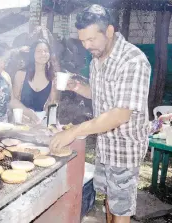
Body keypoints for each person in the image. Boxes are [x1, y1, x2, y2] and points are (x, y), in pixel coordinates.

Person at [50, 4, 151, 223]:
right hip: (105, 145)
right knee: (108, 198)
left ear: (109, 31)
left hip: (125, 148)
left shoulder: (133, 61)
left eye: (91, 40)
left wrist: (74, 131)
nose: (87, 46)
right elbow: (100, 94)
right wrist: (77, 87)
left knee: (121, 209)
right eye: (83, 40)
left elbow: (120, 114)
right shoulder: (98, 58)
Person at [13, 39, 58, 119]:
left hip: (39, 120)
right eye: (39, 51)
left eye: (46, 51)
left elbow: (52, 102)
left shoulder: (52, 77)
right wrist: (22, 115)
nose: (43, 54)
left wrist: (50, 123)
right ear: (32, 54)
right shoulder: (21, 74)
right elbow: (13, 100)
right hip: (22, 119)